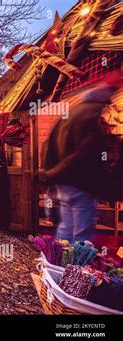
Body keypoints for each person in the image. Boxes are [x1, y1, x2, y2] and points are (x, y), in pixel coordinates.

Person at [41, 73, 123, 243]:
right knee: (81, 234)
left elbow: (49, 145)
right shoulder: (92, 115)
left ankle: (57, 265)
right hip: (81, 183)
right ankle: (75, 268)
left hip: (64, 183)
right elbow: (85, 153)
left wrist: (50, 175)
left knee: (66, 227)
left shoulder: (72, 112)